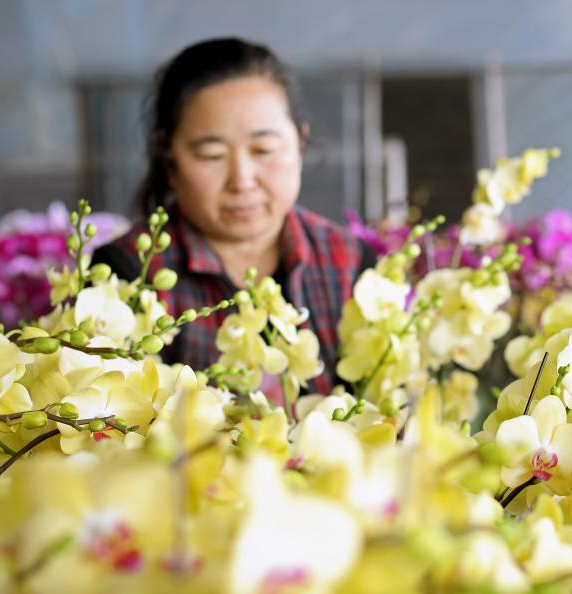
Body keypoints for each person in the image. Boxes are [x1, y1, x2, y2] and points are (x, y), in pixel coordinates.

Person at [93, 37, 375, 395]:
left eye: (264, 149)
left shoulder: (350, 264)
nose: (242, 180)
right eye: (212, 155)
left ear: (300, 143)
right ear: (169, 158)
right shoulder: (127, 273)